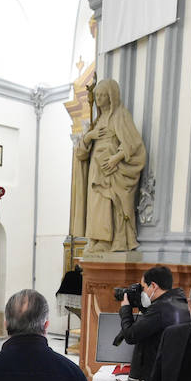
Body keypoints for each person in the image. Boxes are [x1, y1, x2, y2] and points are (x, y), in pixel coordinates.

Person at [72, 78, 146, 253]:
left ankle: (108, 239)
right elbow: (82, 151)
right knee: (96, 205)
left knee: (107, 203)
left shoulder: (120, 115)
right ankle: (97, 238)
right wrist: (90, 136)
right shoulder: (97, 121)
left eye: (102, 95)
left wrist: (116, 158)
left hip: (111, 171)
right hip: (95, 169)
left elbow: (133, 142)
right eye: (96, 95)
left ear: (111, 96)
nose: (98, 98)